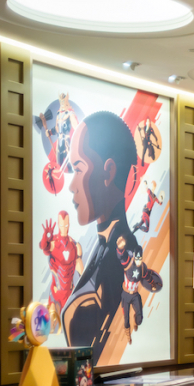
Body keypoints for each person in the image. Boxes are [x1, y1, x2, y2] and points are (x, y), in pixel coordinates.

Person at [62, 111, 141, 362]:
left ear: (108, 172)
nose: (71, 185)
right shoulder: (103, 247)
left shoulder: (121, 256)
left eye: (78, 169)